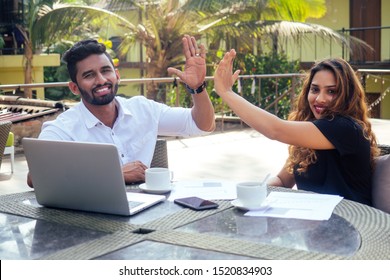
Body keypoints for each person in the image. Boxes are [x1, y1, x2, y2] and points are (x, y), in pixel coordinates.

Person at [27, 35, 215, 187]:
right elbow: (35, 177)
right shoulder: (63, 128)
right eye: (89, 75)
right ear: (74, 88)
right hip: (90, 219)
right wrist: (115, 174)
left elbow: (203, 125)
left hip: (147, 211)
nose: (101, 80)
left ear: (117, 75)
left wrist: (197, 87)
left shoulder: (143, 109)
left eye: (105, 71)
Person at [213, 49, 379, 205]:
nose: (320, 98)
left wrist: (226, 93)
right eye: (315, 89)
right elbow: (283, 180)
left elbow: (275, 129)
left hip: (353, 223)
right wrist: (257, 191)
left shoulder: (346, 128)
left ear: (347, 95)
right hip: (313, 221)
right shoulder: (311, 130)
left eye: (332, 91)